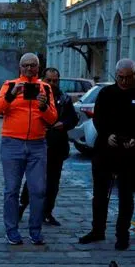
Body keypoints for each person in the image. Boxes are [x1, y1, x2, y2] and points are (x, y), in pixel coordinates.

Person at [80, 58, 135, 250]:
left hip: (130, 151)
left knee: (126, 195)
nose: (124, 81)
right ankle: (98, 230)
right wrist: (107, 135)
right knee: (100, 194)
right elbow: (99, 118)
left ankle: (122, 235)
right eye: (120, 77)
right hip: (106, 148)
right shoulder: (106, 92)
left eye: (128, 77)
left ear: (134, 75)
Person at [0, 53, 59, 246]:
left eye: (33, 66)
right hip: (12, 143)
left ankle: (35, 231)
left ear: (38, 68)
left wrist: (44, 107)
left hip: (37, 145)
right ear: (20, 67)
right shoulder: (9, 85)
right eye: (25, 65)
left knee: (38, 190)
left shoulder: (45, 87)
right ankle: (11, 231)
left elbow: (53, 119)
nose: (29, 69)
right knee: (11, 189)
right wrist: (12, 95)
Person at [18, 67, 78, 227]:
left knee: (53, 182)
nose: (52, 83)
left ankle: (47, 212)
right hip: (37, 144)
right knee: (33, 180)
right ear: (43, 79)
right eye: (49, 80)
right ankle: (22, 207)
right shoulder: (35, 95)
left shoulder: (63, 98)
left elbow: (73, 119)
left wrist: (63, 124)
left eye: (55, 80)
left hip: (57, 146)